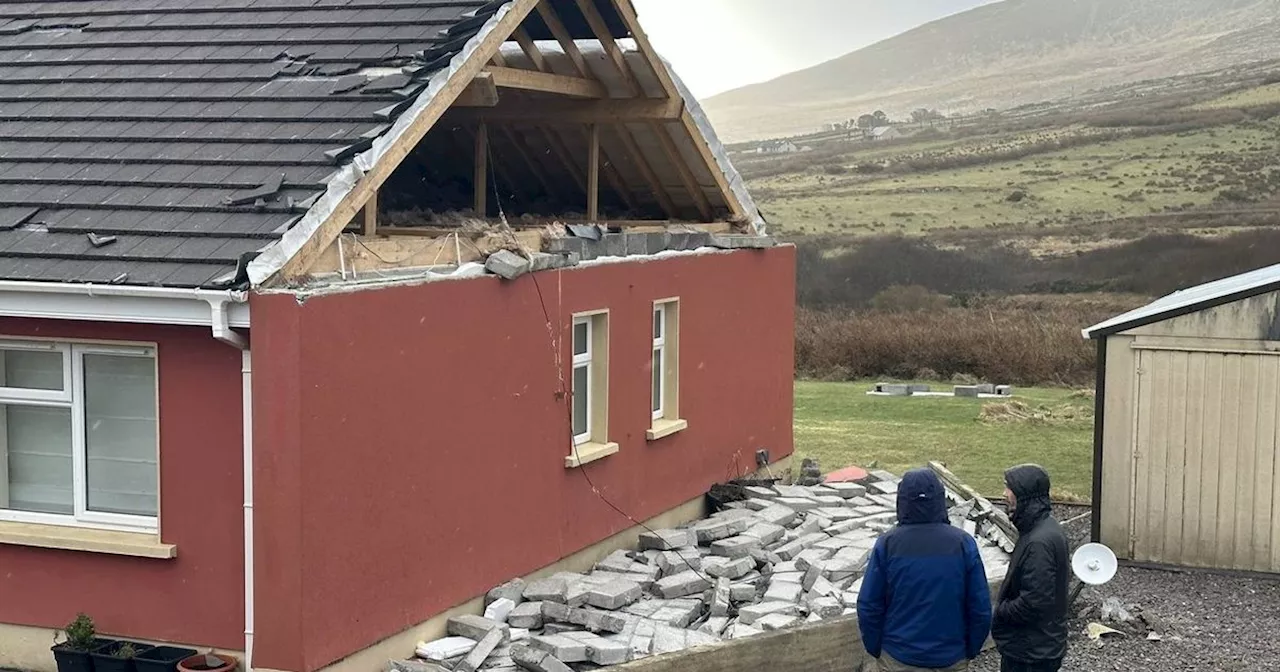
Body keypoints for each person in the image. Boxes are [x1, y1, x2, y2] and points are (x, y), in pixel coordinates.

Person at [857, 468, 992, 671]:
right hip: (950, 657)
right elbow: (980, 607)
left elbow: (869, 605)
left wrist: (877, 648)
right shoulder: (963, 543)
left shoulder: (887, 544)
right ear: (939, 499)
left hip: (899, 657)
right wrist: (969, 650)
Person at [992, 464, 1069, 672]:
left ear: (1024, 494)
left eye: (1008, 488)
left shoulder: (1038, 543)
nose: (1004, 494)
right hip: (1038, 646)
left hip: (1030, 654)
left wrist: (998, 611)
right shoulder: (1044, 528)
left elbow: (1034, 602)